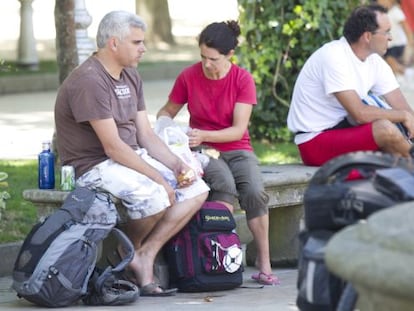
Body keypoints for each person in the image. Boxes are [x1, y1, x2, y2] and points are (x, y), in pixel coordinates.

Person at [54, 11, 209, 296]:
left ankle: (144, 253)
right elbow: (112, 147)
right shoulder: (89, 81)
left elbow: (146, 134)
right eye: (137, 42)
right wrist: (158, 179)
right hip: (95, 166)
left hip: (128, 155)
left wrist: (176, 166)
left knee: (197, 188)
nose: (144, 48)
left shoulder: (130, 75)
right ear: (114, 43)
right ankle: (128, 254)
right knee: (156, 194)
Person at [157, 21, 279, 286]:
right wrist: (168, 129)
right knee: (223, 182)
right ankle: (217, 257)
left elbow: (237, 131)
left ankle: (264, 262)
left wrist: (205, 134)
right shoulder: (189, 77)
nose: (206, 64)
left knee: (255, 191)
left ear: (229, 55)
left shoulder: (242, 79)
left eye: (212, 59)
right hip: (201, 150)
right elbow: (166, 111)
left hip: (236, 148)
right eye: (202, 57)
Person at [287, 4, 414, 166]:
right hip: (315, 142)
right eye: (387, 32)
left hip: (347, 132)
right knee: (385, 129)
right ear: (368, 36)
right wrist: (402, 116)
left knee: (394, 152)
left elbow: (405, 109)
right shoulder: (334, 56)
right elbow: (360, 114)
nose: (391, 37)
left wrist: (408, 118)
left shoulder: (375, 61)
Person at [376, 0, 414, 77]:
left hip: (399, 44)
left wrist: (410, 44)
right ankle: (403, 74)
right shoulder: (382, 14)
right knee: (391, 66)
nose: (380, 2)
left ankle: (407, 72)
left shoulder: (396, 12)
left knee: (391, 61)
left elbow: (406, 29)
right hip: (389, 46)